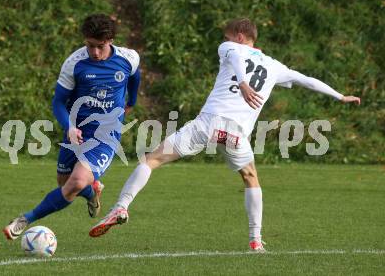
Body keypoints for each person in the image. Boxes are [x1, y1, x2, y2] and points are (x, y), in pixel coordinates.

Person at [89, 17, 361, 251]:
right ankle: (256, 240)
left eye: (228, 35)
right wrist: (339, 96)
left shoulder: (230, 46)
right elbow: (306, 79)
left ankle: (121, 207)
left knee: (151, 160)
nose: (225, 40)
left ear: (240, 36)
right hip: (236, 134)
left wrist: (242, 82)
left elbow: (232, 56)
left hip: (208, 124)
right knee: (251, 178)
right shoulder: (275, 66)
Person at [3, 13, 141, 240]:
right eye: (89, 45)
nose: (94, 52)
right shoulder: (74, 63)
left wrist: (132, 102)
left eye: (100, 46)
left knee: (74, 182)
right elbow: (58, 102)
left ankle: (25, 219)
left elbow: (135, 76)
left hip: (105, 133)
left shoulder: (128, 58)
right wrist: (69, 127)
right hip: (77, 131)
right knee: (65, 184)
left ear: (111, 40)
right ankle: (92, 191)